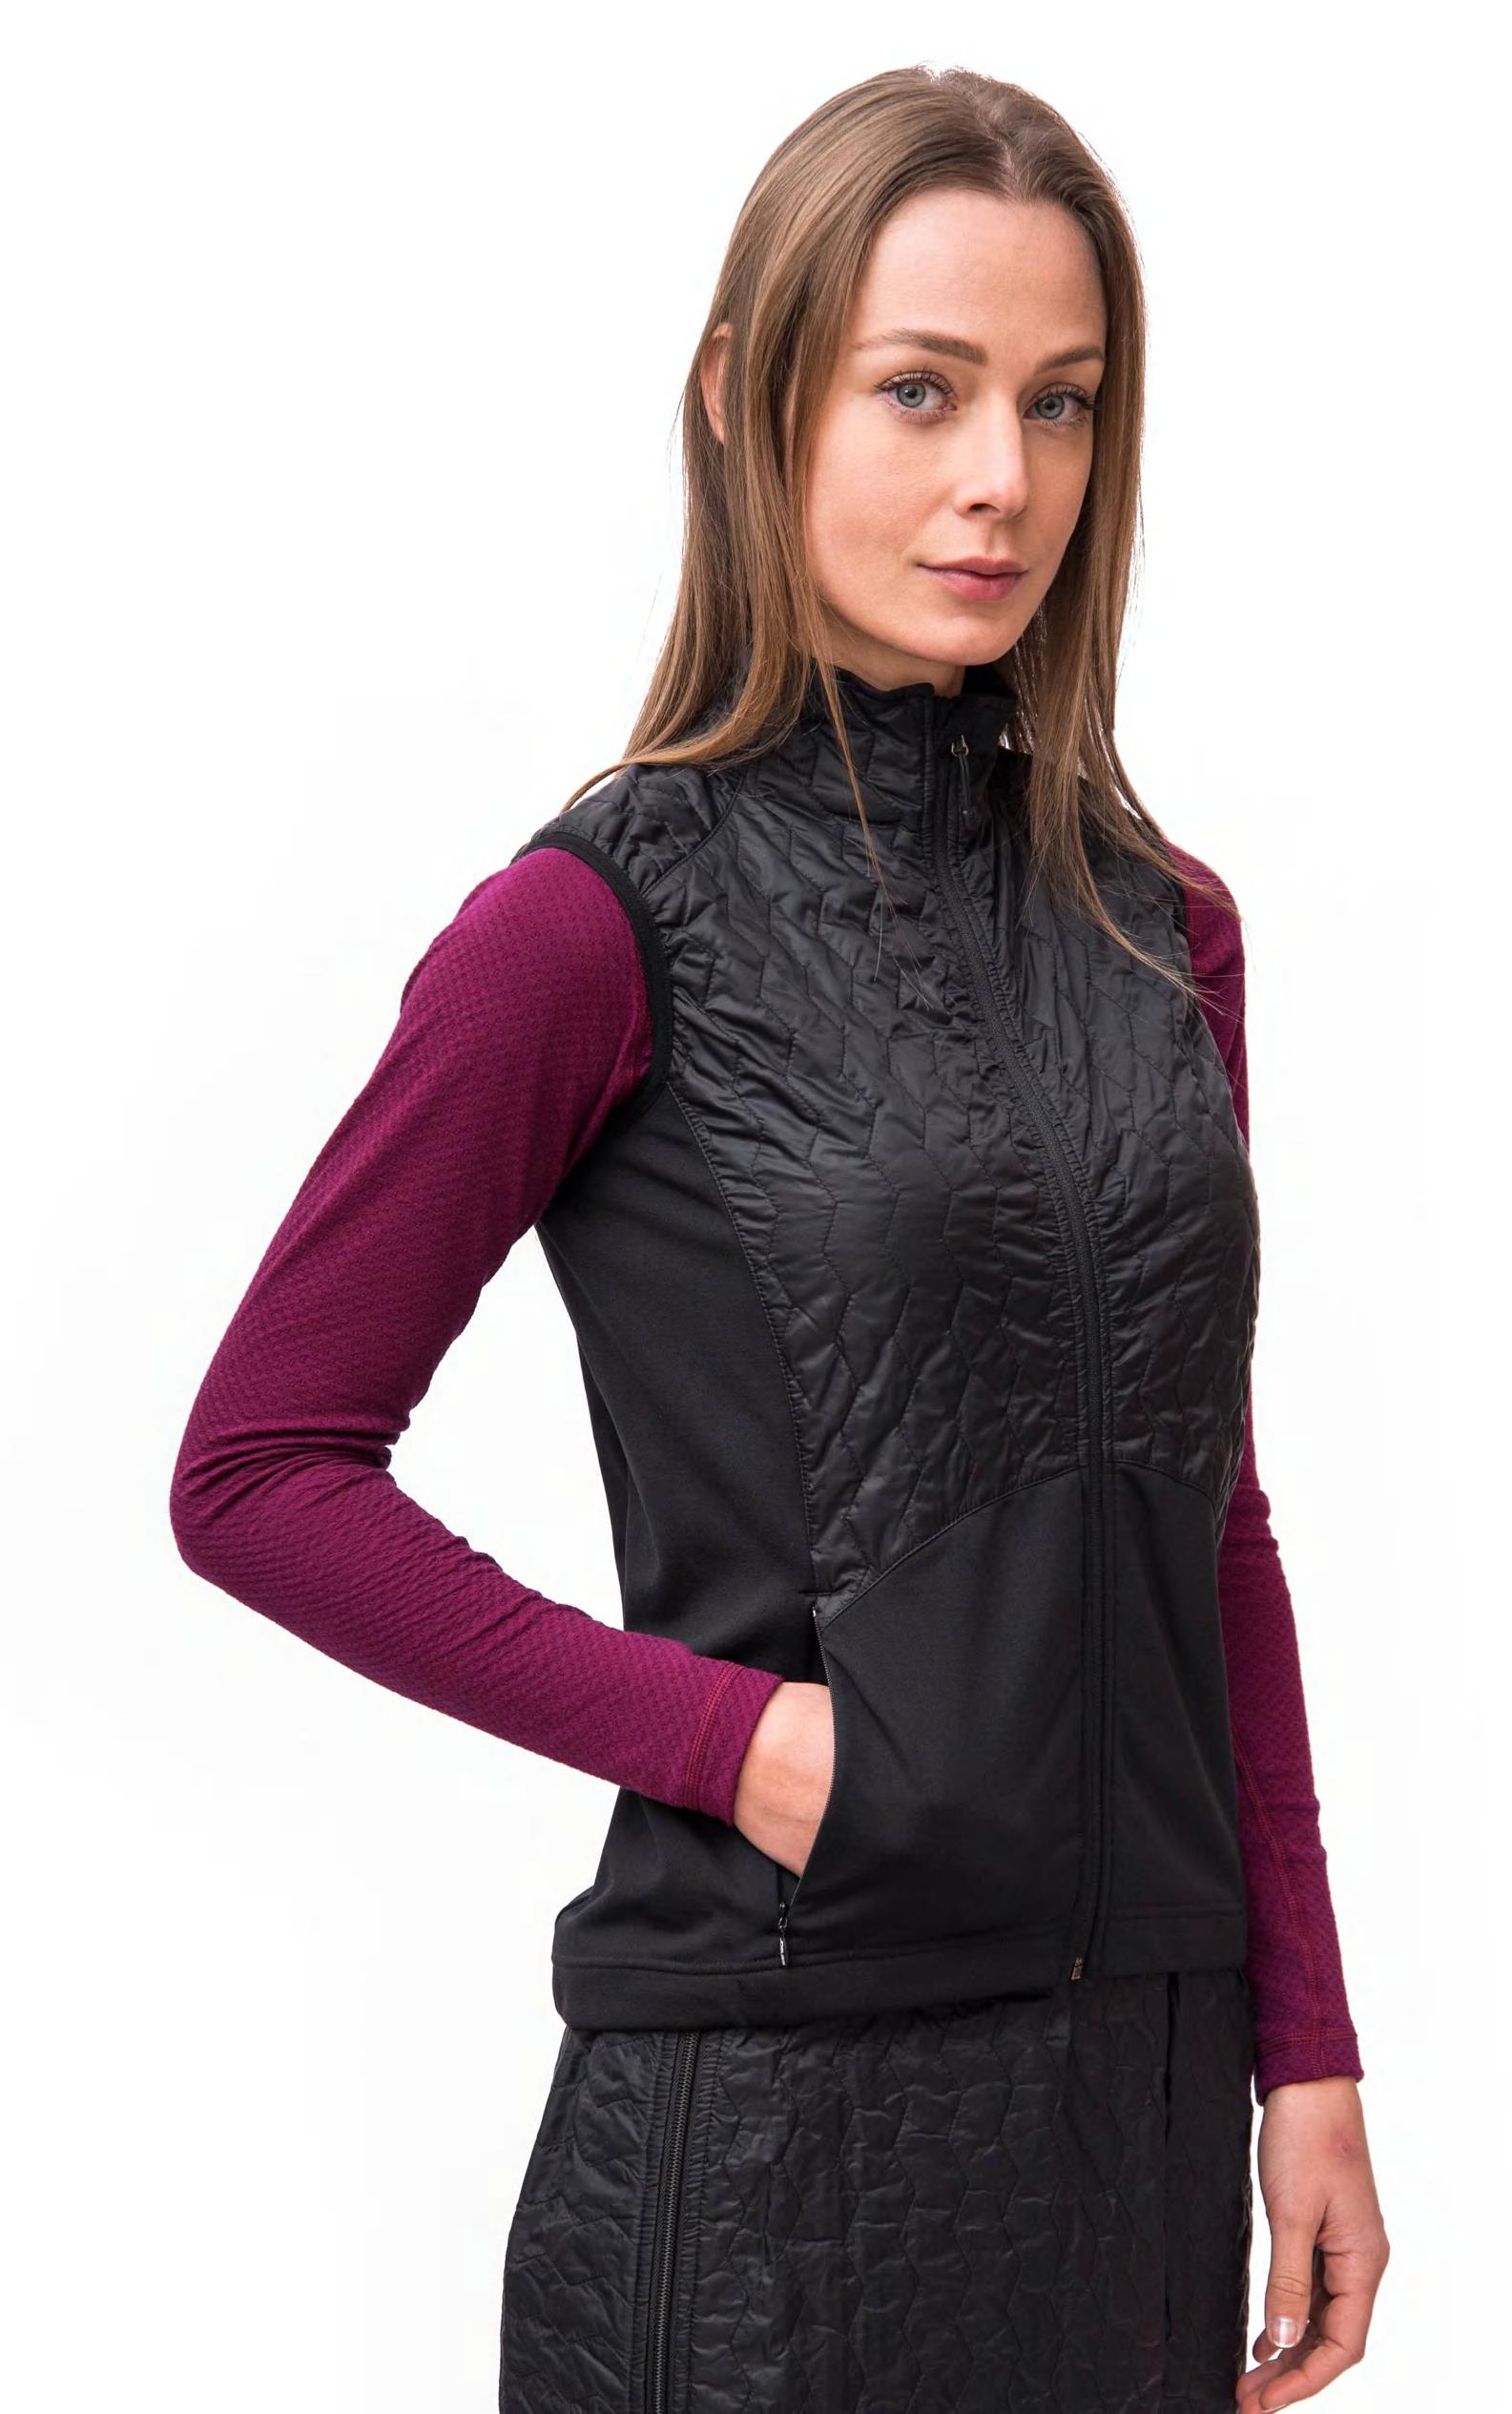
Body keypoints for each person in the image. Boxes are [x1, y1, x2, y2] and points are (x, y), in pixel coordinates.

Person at [169, 63, 1389, 2414]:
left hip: (1131, 2138)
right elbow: (259, 1468)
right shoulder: (590, 926)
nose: (1001, 475)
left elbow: (1205, 1511)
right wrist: (732, 1737)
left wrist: (1304, 2043)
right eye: (921, 388)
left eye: (1060, 400)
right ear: (746, 397)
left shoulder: (1162, 930)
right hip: (766, 2154)